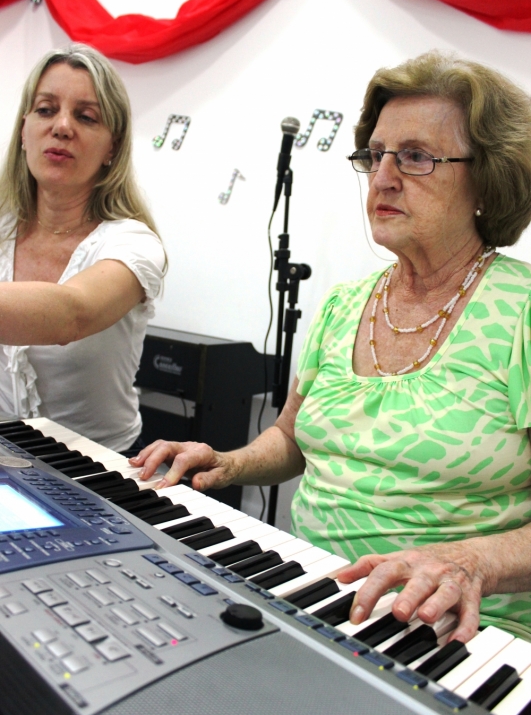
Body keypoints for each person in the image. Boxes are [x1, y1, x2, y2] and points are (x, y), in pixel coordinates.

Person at [131, 51, 531, 644]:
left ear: (487, 178)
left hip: (457, 636)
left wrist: (473, 561)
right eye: (375, 155)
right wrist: (229, 461)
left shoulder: (520, 312)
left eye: (416, 157)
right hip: (308, 592)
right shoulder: (346, 304)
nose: (383, 176)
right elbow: (293, 436)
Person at [0, 44, 165, 453]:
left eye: (85, 116)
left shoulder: (135, 243)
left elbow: (72, 314)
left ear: (112, 147)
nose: (61, 127)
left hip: (99, 472)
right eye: (45, 109)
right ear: (23, 131)